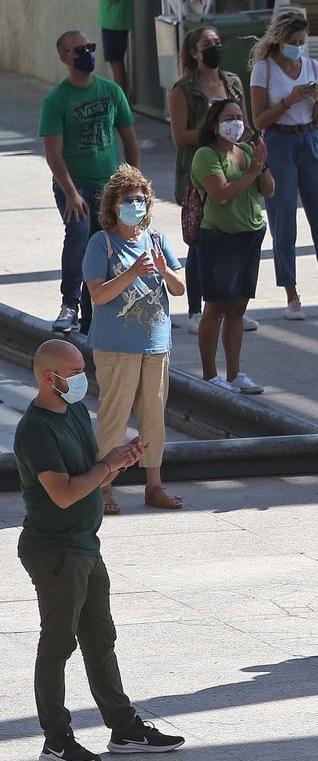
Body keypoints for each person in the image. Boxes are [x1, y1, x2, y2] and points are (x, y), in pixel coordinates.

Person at [16, 339, 185, 761]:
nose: (80, 380)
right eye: (72, 374)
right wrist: (107, 467)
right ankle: (55, 739)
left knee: (100, 639)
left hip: (85, 545)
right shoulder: (35, 429)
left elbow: (89, 469)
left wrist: (116, 459)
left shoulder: (73, 411)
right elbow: (65, 493)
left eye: (81, 370)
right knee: (57, 645)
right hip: (56, 551)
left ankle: (124, 728)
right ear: (47, 376)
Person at [82, 165, 185, 514]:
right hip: (116, 347)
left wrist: (164, 269)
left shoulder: (157, 239)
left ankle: (154, 485)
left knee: (154, 416)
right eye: (129, 199)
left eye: (142, 199)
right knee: (114, 416)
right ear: (114, 204)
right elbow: (98, 294)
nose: (137, 205)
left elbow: (180, 288)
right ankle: (104, 486)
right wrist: (132, 273)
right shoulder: (101, 243)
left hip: (155, 344)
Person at [41, 29, 138, 335]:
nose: (86, 54)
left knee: (103, 247)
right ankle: (69, 304)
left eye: (89, 47)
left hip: (110, 186)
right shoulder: (57, 99)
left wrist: (133, 185)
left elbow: (130, 142)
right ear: (63, 58)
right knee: (80, 230)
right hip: (75, 184)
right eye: (78, 50)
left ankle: (91, 314)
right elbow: (53, 153)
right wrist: (71, 192)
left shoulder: (111, 92)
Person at [249, 11, 318, 324]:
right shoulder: (264, 70)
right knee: (283, 219)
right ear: (279, 39)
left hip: (310, 139)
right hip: (279, 142)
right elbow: (258, 120)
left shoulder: (313, 67)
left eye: (302, 42)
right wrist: (288, 101)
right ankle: (291, 292)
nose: (298, 47)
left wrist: (317, 104)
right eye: (293, 42)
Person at [192, 98, 273, 394]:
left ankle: (235, 373)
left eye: (240, 117)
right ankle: (211, 374)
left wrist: (260, 163)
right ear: (215, 124)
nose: (236, 122)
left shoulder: (248, 151)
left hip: (250, 235)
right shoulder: (206, 154)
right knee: (216, 306)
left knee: (238, 307)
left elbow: (269, 189)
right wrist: (252, 172)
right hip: (220, 238)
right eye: (229, 117)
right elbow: (221, 194)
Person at [173, 25, 245, 333]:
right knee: (201, 242)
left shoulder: (233, 83)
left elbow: (245, 124)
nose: (214, 47)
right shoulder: (183, 90)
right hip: (198, 173)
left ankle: (232, 306)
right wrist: (212, 131)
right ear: (194, 52)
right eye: (207, 44)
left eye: (217, 41)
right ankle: (195, 310)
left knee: (234, 238)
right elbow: (179, 136)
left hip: (232, 167)